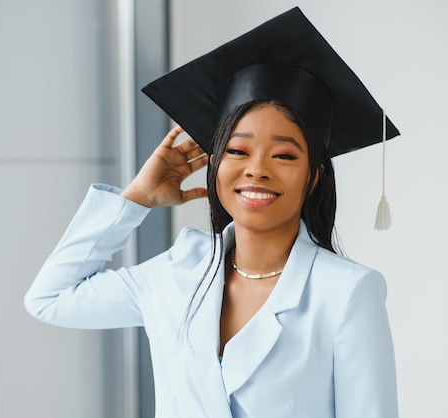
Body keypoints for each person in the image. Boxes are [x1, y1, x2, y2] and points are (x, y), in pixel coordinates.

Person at [25, 7, 399, 418]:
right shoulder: (176, 273)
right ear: (216, 163)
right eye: (237, 151)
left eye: (283, 155)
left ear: (313, 177)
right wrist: (135, 199)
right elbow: (50, 298)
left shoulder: (345, 292)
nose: (256, 168)